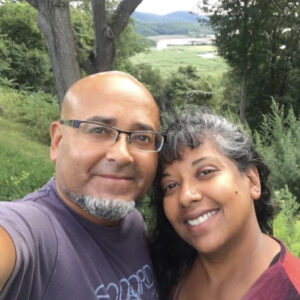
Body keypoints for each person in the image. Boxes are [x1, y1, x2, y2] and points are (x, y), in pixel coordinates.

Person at [0, 71, 164, 300]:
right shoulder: (32, 231)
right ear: (57, 142)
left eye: (142, 137)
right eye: (98, 130)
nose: (122, 155)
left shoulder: (133, 223)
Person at [149, 107, 300, 300]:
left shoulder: (290, 289)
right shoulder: (161, 274)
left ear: (252, 181)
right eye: (170, 185)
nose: (185, 196)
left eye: (205, 172)